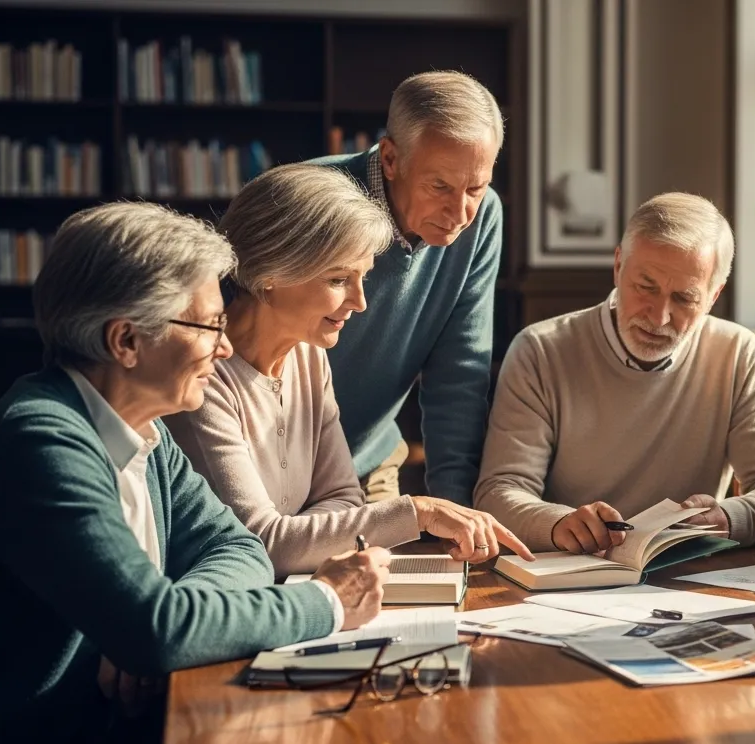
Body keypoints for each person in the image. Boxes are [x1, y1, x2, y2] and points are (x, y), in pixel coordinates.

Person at [0, 203, 395, 744]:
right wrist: (328, 601)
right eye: (210, 326)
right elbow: (159, 629)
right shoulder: (38, 441)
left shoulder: (143, 428)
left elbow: (239, 547)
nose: (224, 348)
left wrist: (161, 627)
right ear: (125, 341)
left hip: (108, 731)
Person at [166, 165, 532, 580]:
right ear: (270, 275)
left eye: (363, 278)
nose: (359, 302)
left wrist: (302, 534)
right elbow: (259, 543)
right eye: (339, 279)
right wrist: (415, 511)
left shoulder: (307, 355)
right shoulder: (201, 378)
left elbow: (344, 496)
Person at [475, 192, 755, 553]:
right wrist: (557, 523)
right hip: (569, 571)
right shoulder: (540, 350)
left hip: (690, 574)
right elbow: (497, 493)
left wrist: (727, 517)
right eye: (645, 287)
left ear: (713, 296)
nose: (658, 316)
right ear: (618, 266)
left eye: (684, 298)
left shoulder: (737, 353)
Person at [308, 70, 504, 506]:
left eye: (477, 186)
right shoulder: (310, 199)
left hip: (367, 461)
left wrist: (455, 505)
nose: (460, 213)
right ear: (391, 159)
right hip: (277, 461)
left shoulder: (483, 217)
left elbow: (460, 370)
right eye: (440, 186)